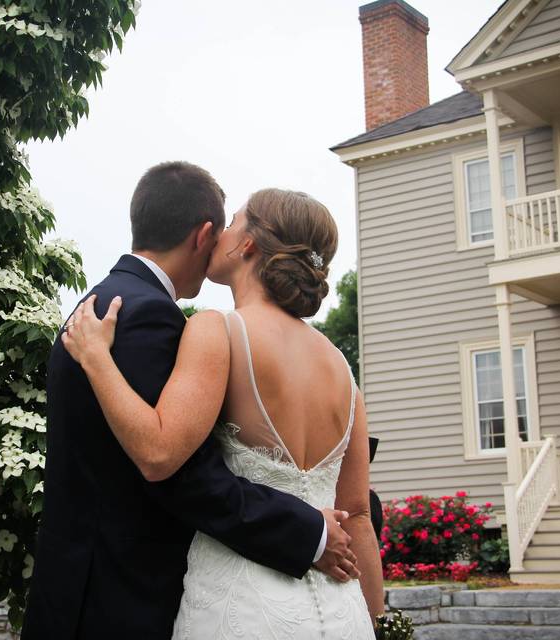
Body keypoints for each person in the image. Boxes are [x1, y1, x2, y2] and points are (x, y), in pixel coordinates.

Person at [20, 163, 359, 640]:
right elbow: (178, 470)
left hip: (92, 592)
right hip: (118, 600)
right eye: (222, 228)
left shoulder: (107, 303)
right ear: (204, 235)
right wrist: (308, 531)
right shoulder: (147, 315)